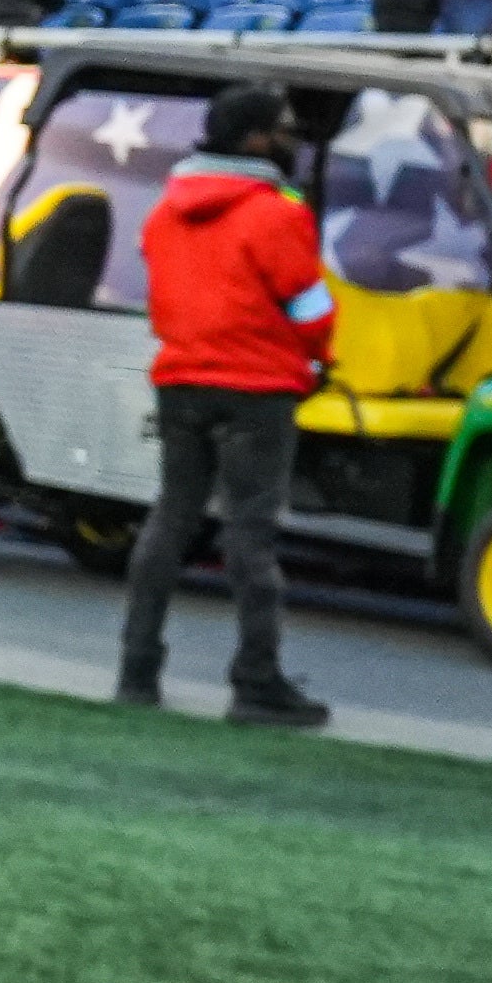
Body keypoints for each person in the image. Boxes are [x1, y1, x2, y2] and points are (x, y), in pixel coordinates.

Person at [120, 77, 333, 727]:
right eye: (282, 127)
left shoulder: (165, 211)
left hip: (181, 378)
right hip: (257, 388)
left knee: (170, 521)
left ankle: (137, 671)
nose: (290, 139)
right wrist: (318, 359)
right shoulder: (277, 213)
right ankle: (256, 683)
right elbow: (311, 308)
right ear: (254, 138)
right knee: (251, 534)